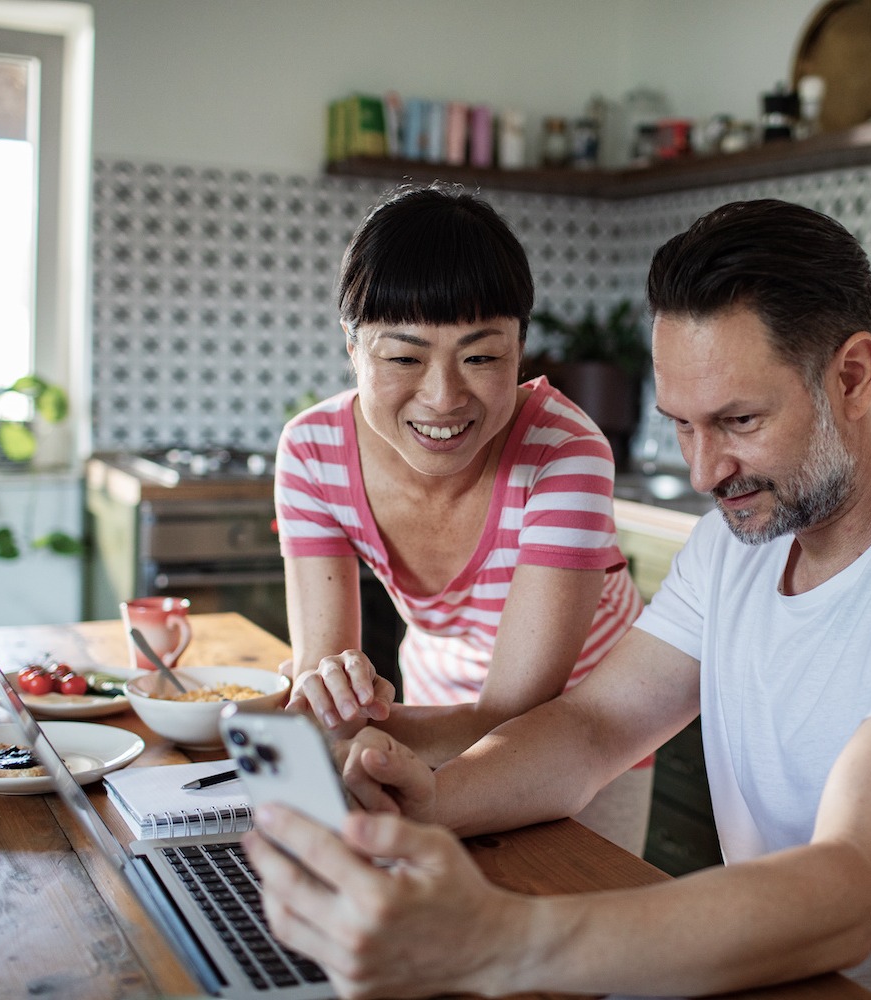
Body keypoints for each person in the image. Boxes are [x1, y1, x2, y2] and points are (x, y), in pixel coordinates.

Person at [247, 199, 871, 999]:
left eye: (739, 421)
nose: (705, 471)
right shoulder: (743, 539)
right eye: (681, 424)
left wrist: (498, 940)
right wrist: (429, 800)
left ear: (853, 376)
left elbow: (853, 888)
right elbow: (595, 727)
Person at [272, 183, 649, 852]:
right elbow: (322, 671)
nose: (444, 397)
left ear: (521, 349)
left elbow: (518, 712)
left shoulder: (566, 454)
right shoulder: (312, 451)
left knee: (567, 916)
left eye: (481, 357)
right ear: (352, 347)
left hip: (585, 726)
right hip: (431, 702)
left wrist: (349, 733)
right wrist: (330, 697)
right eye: (403, 358)